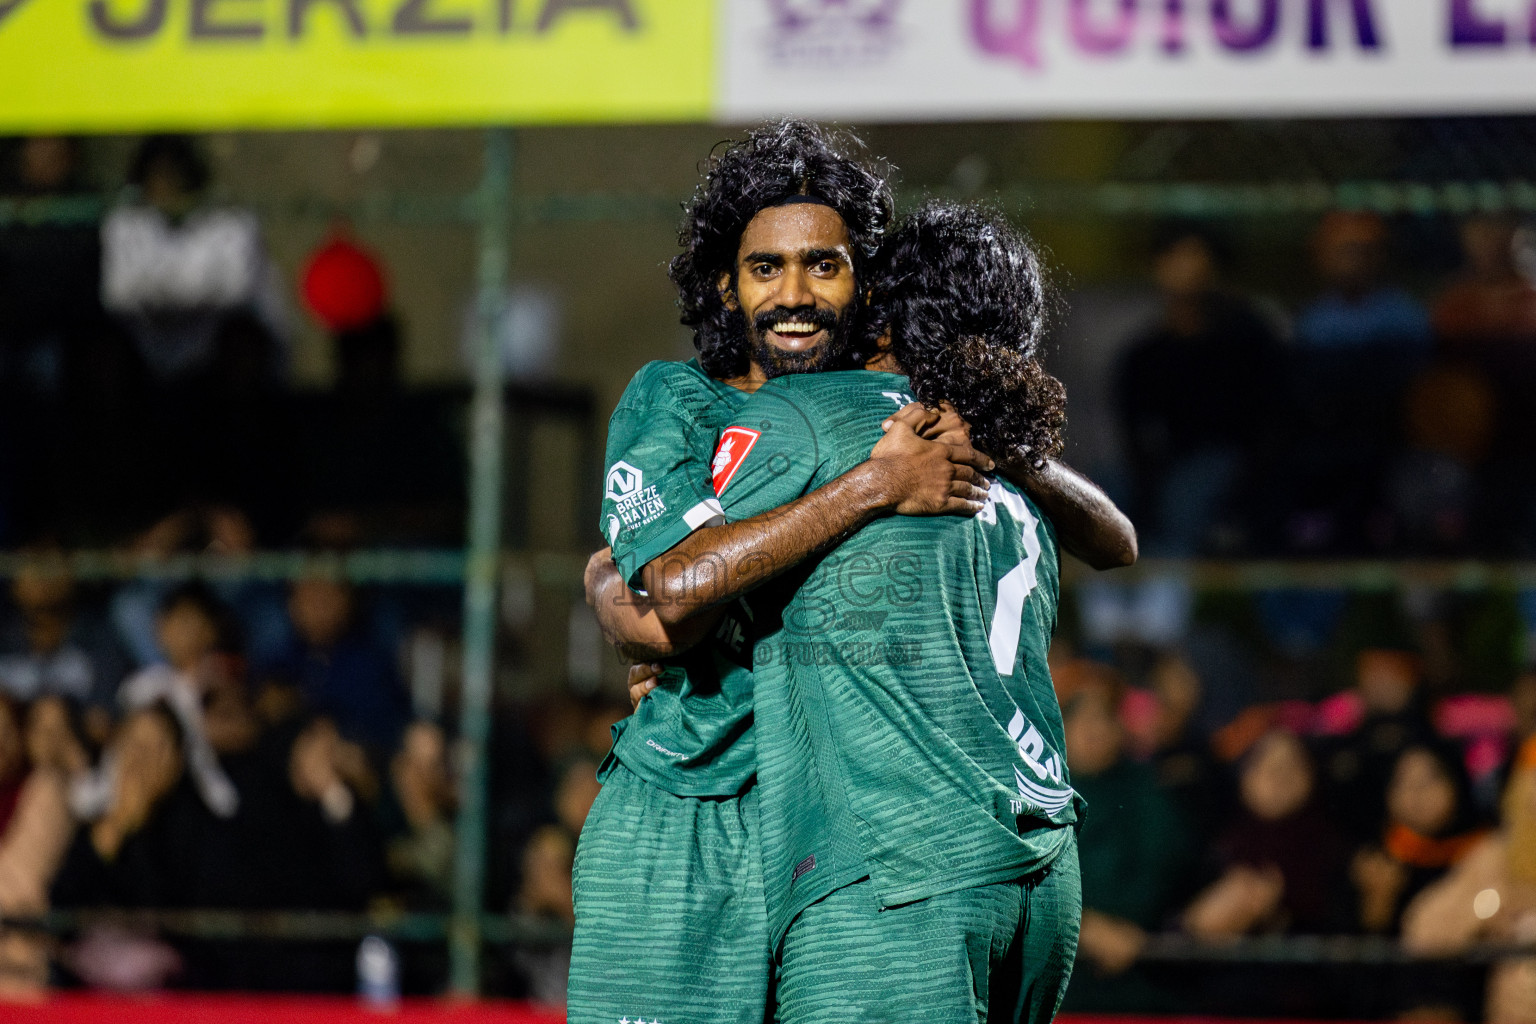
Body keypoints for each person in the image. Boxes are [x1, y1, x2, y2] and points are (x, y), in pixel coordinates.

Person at [574, 124, 1132, 1024]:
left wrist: (998, 439)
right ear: (726, 282)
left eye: (823, 266)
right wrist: (606, 581)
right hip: (697, 812)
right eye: (765, 269)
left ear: (865, 282)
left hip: (847, 826)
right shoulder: (683, 403)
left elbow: (1114, 537)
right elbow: (661, 610)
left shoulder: (908, 421)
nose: (794, 295)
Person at [700, 200, 1089, 1022]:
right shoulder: (1010, 463)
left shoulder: (809, 414)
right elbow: (1117, 539)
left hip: (903, 876)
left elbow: (676, 578)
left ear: (881, 302)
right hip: (1045, 870)